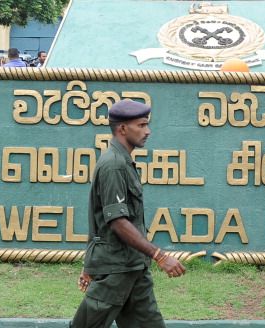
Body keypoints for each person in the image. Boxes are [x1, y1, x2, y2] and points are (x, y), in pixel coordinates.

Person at [70, 99, 186, 328]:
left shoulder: (123, 161)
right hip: (116, 270)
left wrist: (89, 263)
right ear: (122, 128)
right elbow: (116, 222)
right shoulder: (113, 165)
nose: (148, 131)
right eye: (141, 125)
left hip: (133, 267)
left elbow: (99, 220)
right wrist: (160, 256)